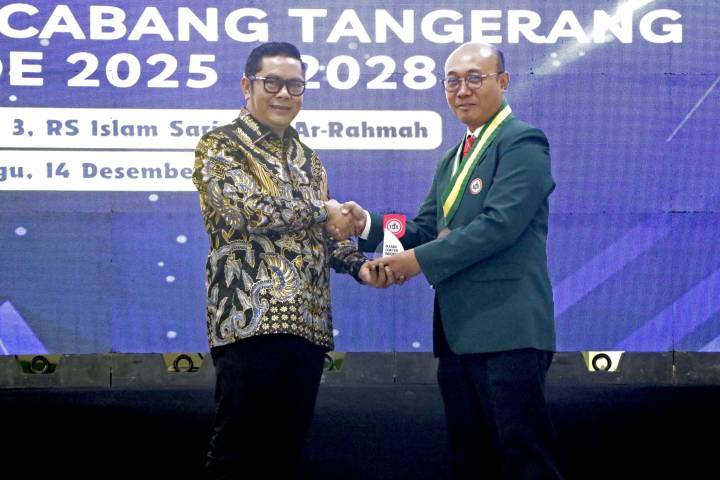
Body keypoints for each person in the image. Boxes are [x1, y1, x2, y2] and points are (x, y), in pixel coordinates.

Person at [355, 42, 563, 479]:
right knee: (472, 462)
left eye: (474, 78)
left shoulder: (522, 141)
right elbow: (424, 228)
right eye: (452, 81)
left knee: (525, 461)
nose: (462, 90)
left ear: (503, 82)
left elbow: (499, 226)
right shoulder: (454, 158)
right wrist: (366, 224)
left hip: (507, 330)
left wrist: (417, 261)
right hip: (458, 335)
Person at [192, 41, 391, 479]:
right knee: (237, 455)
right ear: (247, 85)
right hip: (250, 322)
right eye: (273, 83)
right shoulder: (221, 145)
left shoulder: (309, 159)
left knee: (284, 457)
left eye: (294, 85)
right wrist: (324, 211)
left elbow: (325, 234)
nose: (284, 94)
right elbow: (245, 209)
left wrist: (359, 266)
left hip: (309, 327)